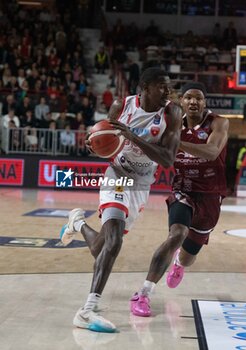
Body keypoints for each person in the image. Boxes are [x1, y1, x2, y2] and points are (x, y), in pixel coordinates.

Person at [59, 67, 182, 332]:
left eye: (168, 87)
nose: (167, 92)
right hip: (117, 175)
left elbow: (168, 159)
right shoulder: (121, 106)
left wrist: (131, 135)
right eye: (162, 86)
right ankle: (87, 311)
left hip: (141, 183)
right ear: (145, 88)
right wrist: (96, 144)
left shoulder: (171, 112)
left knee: (100, 247)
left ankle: (77, 223)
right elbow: (103, 138)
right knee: (115, 241)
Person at [130, 82, 229, 317]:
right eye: (188, 98)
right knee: (177, 234)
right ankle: (143, 293)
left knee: (188, 255)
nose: (193, 102)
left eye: (199, 98)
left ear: (205, 103)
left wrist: (174, 143)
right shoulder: (171, 124)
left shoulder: (219, 123)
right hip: (182, 188)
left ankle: (179, 264)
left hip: (211, 194)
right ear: (181, 102)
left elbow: (212, 152)